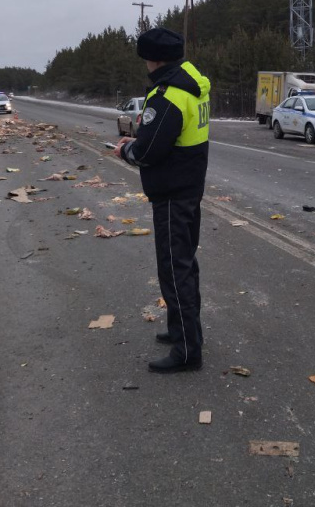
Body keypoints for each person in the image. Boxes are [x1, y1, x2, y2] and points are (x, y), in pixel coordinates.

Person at [114, 27, 211, 373]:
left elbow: (150, 150)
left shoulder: (168, 96)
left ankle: (187, 349)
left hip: (172, 193)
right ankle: (182, 330)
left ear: (151, 59)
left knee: (174, 269)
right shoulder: (192, 83)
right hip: (189, 187)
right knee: (184, 264)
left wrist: (126, 149)